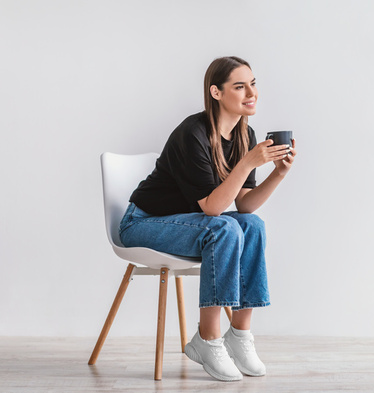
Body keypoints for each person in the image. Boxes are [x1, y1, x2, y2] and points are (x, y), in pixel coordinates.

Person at [118, 56, 296, 382]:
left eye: (253, 84)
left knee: (252, 226)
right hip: (143, 223)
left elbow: (244, 206)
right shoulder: (193, 133)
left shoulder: (245, 133)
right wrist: (247, 162)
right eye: (239, 86)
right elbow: (213, 209)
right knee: (223, 227)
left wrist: (277, 174)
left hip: (187, 222)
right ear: (216, 92)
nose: (250, 92)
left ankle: (239, 336)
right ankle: (207, 338)